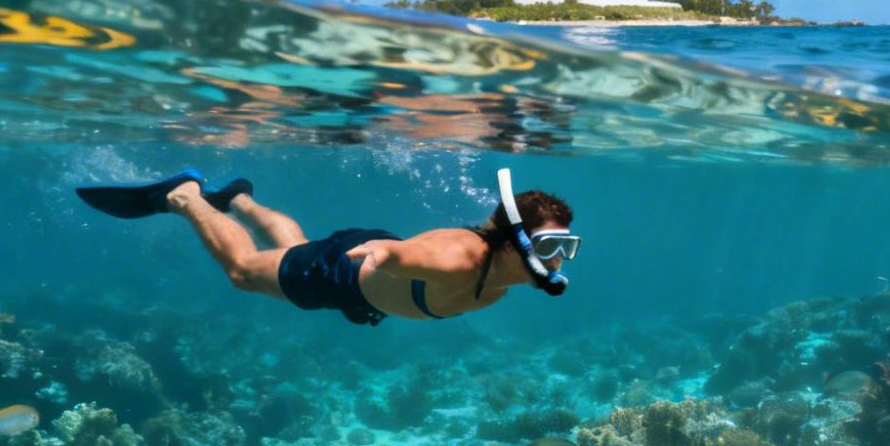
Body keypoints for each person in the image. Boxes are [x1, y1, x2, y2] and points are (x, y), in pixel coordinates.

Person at [74, 167, 576, 325]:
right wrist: (386, 254)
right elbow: (415, 254)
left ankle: (241, 201)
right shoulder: (462, 258)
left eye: (565, 245)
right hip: (345, 271)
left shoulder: (501, 282)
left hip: (358, 286)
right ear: (513, 241)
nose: (558, 258)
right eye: (551, 243)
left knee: (300, 246)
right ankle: (185, 197)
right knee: (244, 270)